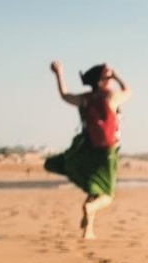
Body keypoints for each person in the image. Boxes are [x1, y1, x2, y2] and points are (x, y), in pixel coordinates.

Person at [44, 61, 132, 240]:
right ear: (101, 81)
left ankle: (88, 231)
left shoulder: (84, 99)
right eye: (108, 78)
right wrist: (117, 76)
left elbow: (64, 95)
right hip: (107, 152)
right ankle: (90, 209)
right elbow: (129, 91)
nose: (111, 81)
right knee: (107, 195)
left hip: (86, 149)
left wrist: (58, 73)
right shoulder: (111, 97)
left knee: (94, 190)